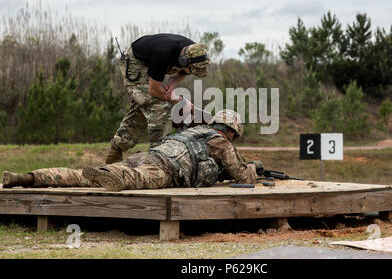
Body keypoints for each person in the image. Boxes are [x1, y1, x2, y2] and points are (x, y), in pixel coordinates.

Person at [2, 110, 262, 192]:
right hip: (165, 169)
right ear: (232, 131)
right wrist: (254, 167)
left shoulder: (195, 131)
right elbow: (244, 178)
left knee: (83, 175)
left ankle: (27, 177)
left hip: (148, 155)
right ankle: (120, 179)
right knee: (135, 179)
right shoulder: (222, 142)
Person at [106, 33, 210, 165]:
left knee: (142, 108)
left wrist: (172, 83)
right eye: (192, 70)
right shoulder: (162, 54)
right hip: (135, 63)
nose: (191, 74)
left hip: (152, 62)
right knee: (157, 105)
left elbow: (184, 71)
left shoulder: (194, 51)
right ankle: (158, 157)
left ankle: (116, 151)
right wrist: (181, 101)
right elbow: (153, 90)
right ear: (184, 61)